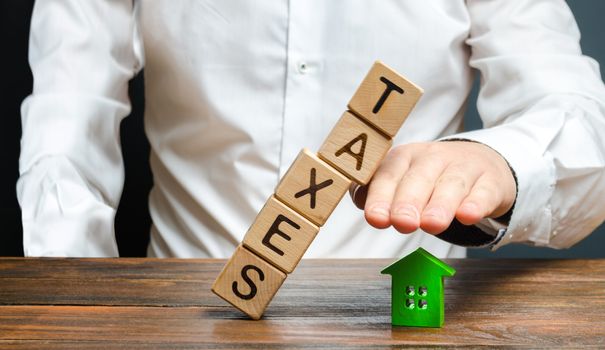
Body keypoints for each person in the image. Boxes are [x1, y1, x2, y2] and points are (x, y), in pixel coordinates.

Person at [18, 0, 605, 258]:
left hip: (408, 316)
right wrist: (71, 305)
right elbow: (67, 123)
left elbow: (577, 116)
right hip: (187, 315)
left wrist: (498, 162)